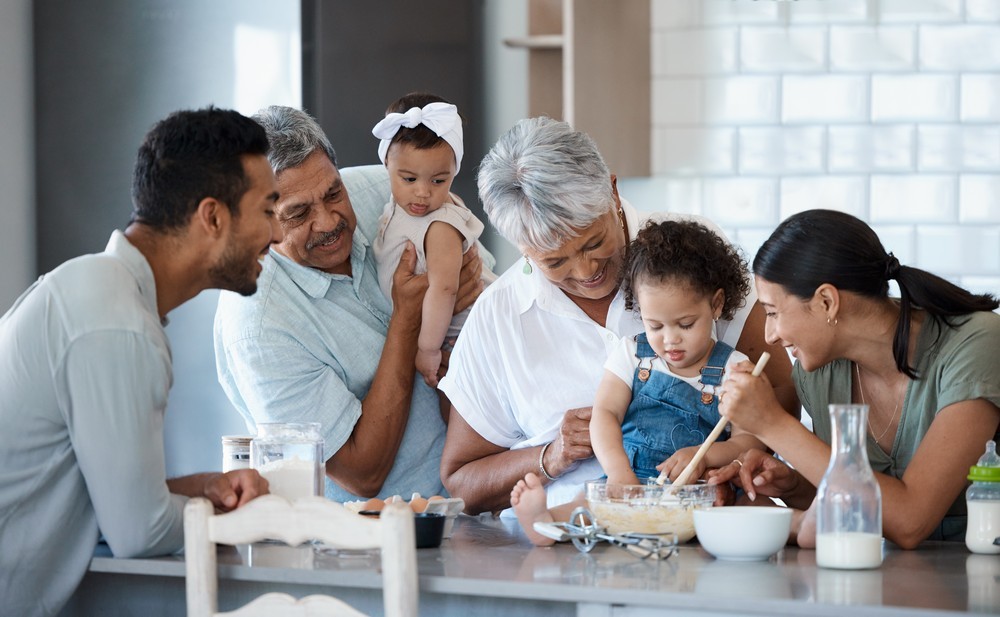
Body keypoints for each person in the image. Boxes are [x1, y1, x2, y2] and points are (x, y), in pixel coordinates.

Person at [438, 117, 797, 516]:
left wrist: (729, 461)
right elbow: (461, 482)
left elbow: (781, 391)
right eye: (554, 261)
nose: (585, 269)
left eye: (594, 242)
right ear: (523, 249)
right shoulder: (499, 315)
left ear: (612, 190)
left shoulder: (689, 256)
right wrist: (550, 457)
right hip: (563, 544)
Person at [0, 107, 275, 617]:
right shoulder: (117, 325)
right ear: (212, 217)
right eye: (268, 208)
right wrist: (244, 520)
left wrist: (200, 489)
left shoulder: (94, 290)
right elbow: (138, 533)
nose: (276, 234)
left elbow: (106, 501)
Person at [214, 105, 488, 503]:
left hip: (487, 491)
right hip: (374, 536)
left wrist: (463, 280)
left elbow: (476, 278)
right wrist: (409, 321)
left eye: (332, 193)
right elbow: (362, 472)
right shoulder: (258, 327)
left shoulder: (389, 190)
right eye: (298, 214)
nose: (328, 222)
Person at [710, 209, 1000, 549]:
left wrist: (771, 424)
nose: (769, 335)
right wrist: (794, 487)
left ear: (826, 302)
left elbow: (909, 521)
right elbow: (858, 504)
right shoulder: (817, 373)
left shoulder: (977, 344)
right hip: (879, 576)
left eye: (773, 313)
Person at [511, 220, 768, 545]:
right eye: (655, 326)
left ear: (716, 304)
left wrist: (705, 457)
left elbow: (750, 443)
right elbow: (605, 414)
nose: (670, 340)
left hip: (693, 498)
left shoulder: (735, 369)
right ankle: (543, 523)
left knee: (745, 511)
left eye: (686, 324)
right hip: (628, 487)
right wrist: (618, 472)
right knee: (588, 507)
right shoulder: (632, 354)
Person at [371, 92, 497, 390]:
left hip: (468, 333)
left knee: (458, 411)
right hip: (453, 332)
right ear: (386, 163)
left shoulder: (440, 225)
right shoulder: (397, 206)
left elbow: (445, 288)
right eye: (409, 179)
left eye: (439, 180)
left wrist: (427, 348)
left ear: (454, 171)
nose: (423, 193)